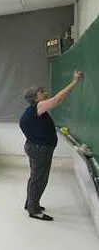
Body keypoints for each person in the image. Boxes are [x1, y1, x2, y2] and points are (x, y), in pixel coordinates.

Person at [20, 70, 83, 221]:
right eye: (42, 92)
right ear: (36, 98)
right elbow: (56, 99)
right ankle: (34, 210)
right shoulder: (38, 106)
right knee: (39, 178)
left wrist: (68, 90)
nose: (45, 92)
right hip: (39, 149)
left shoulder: (35, 108)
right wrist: (74, 82)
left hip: (35, 147)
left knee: (35, 177)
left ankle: (30, 203)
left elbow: (58, 100)